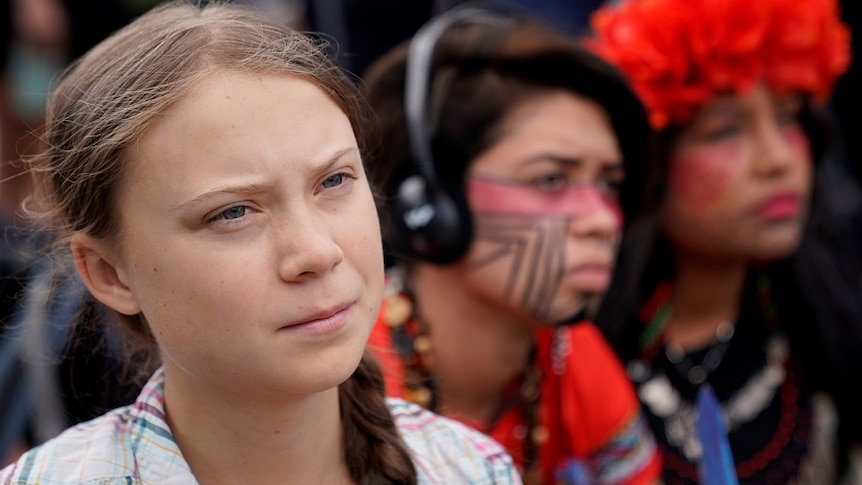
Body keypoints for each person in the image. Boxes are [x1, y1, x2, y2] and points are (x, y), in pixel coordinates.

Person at [0, 1, 523, 483]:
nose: (317, 252)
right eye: (232, 212)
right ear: (109, 273)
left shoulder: (470, 468)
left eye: (334, 181)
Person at [361, 4, 662, 484]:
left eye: (609, 184)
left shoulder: (573, 355)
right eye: (550, 179)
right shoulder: (345, 381)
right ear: (433, 206)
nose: (601, 219)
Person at [588, 0, 862, 483]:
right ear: (648, 162)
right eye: (725, 130)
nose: (776, 160)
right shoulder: (573, 362)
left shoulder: (829, 333)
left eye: (787, 115)